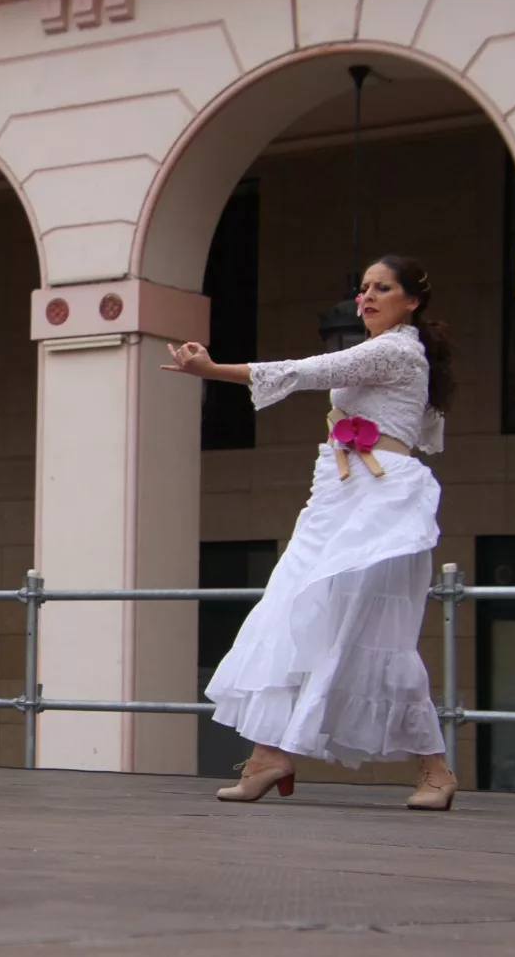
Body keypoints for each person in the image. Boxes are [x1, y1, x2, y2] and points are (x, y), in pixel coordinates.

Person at [163, 255, 457, 810]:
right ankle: (268, 753)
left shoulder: (396, 348)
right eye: (363, 288)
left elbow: (310, 370)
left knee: (369, 628)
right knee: (291, 609)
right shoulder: (395, 353)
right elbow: (420, 426)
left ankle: (435, 770)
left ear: (412, 301)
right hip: (338, 493)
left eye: (383, 289)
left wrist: (214, 371)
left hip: (378, 500)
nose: (367, 297)